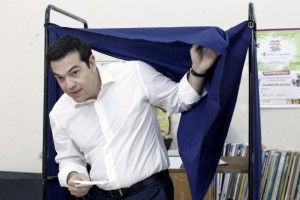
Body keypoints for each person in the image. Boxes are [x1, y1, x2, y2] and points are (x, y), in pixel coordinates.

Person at [47, 35, 219, 200]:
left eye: (75, 73)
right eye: (60, 78)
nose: (68, 84)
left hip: (150, 192)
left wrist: (199, 70)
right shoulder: (60, 113)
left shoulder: (134, 74)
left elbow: (179, 100)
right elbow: (69, 158)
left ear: (91, 63)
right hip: (100, 195)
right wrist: (72, 175)